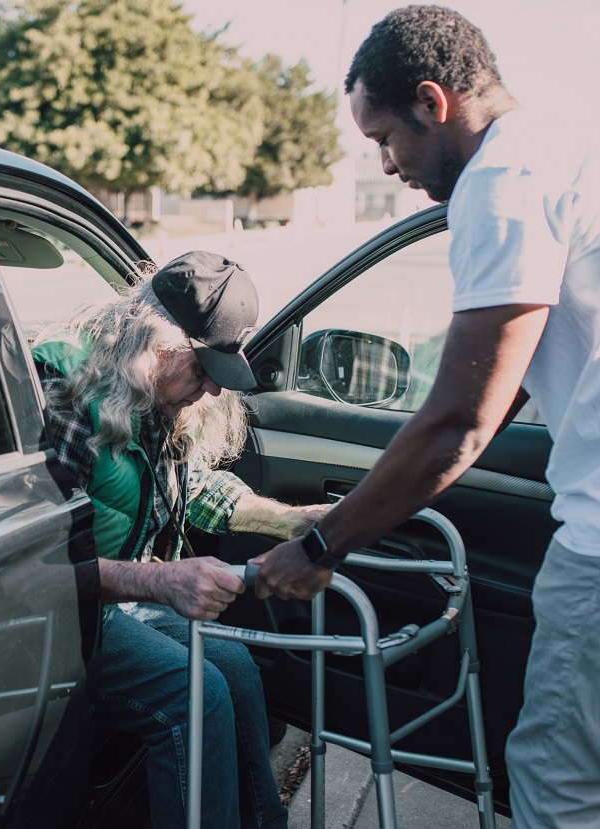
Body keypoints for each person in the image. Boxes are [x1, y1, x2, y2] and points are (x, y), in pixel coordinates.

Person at [251, 6, 600, 829]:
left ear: (433, 103)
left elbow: (459, 422)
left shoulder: (501, 184)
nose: (386, 161)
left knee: (558, 791)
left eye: (384, 138)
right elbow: (504, 378)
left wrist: (320, 544)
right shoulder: (562, 155)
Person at [32, 250, 327, 829]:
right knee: (196, 697)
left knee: (235, 667)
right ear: (155, 340)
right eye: (205, 369)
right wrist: (160, 579)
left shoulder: (151, 395)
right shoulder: (64, 388)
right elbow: (42, 567)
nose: (216, 390)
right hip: (67, 617)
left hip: (119, 604)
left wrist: (290, 522)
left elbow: (188, 486)